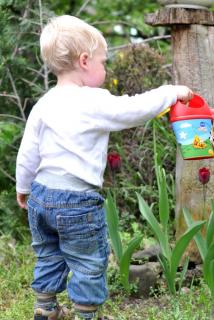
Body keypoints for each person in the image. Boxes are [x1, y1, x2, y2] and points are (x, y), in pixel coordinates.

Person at [16, 15, 193, 320]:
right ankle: (87, 314)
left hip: (41, 195)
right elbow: (134, 109)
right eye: (103, 61)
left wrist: (23, 187)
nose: (105, 68)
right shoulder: (93, 100)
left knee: (48, 255)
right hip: (77, 201)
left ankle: (45, 308)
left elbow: (28, 152)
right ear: (84, 61)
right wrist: (171, 93)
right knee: (88, 261)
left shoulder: (44, 103)